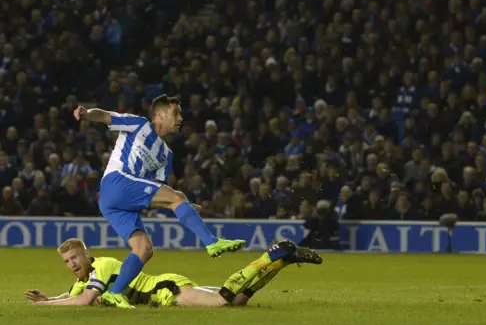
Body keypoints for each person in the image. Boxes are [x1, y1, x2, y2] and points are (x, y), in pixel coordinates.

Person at [73, 95, 246, 308]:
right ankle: (212, 242)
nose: (181, 118)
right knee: (177, 197)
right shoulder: (139, 124)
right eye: (176, 113)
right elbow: (106, 116)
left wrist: (182, 204)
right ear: (160, 115)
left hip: (118, 202)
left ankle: (114, 293)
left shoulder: (166, 155)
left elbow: (157, 192)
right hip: (116, 182)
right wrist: (86, 114)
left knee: (143, 249)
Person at [25, 238, 322, 307]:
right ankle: (280, 261)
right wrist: (50, 297)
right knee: (237, 302)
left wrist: (46, 305)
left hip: (165, 289)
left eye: (75, 258)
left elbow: (83, 302)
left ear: (87, 255)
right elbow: (74, 295)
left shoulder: (100, 266)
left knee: (222, 299)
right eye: (67, 262)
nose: (73, 264)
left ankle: (267, 256)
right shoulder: (85, 278)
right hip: (165, 288)